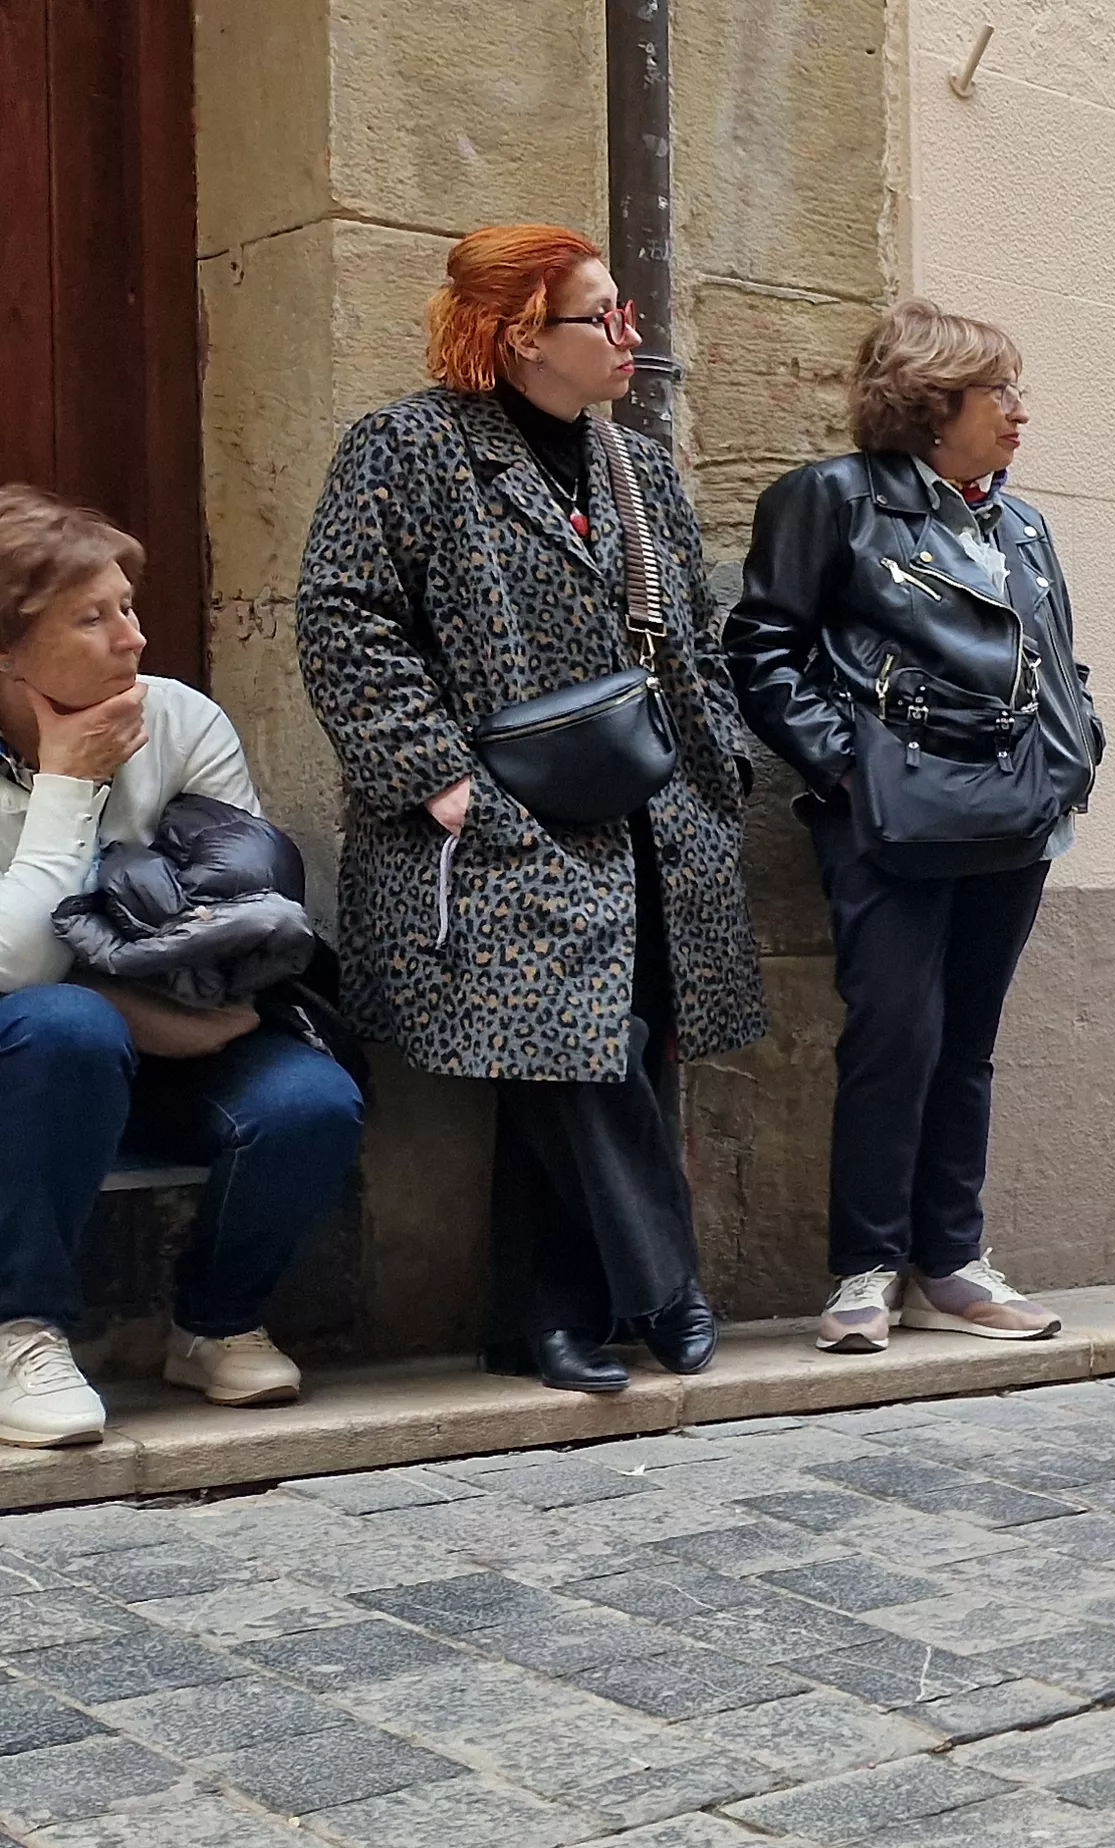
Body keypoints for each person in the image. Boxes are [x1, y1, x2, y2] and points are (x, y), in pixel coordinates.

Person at [295, 225, 768, 1394]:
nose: (629, 333)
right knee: (567, 1045)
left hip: (649, 815)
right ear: (520, 336)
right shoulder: (409, 448)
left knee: (599, 1045)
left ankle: (541, 1324)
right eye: (602, 315)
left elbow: (695, 632)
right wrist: (437, 777)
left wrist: (716, 760)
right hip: (493, 819)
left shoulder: (634, 463)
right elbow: (344, 621)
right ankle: (663, 1282)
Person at [729, 301, 1102, 1354]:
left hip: (1017, 814)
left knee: (967, 1044)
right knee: (894, 1035)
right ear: (933, 404)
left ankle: (952, 1263)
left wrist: (1077, 752)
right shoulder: (831, 499)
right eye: (998, 391)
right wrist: (849, 769)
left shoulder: (1021, 525)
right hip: (890, 821)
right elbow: (761, 646)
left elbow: (1057, 659)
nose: (1019, 411)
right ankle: (866, 1267)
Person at [0, 489, 362, 1443]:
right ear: (6, 651)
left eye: (126, 606)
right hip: (34, 1057)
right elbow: (15, 968)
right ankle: (20, 1331)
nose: (133, 639)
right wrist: (68, 783)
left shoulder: (178, 719)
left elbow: (239, 930)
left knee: (310, 1100)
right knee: (65, 1026)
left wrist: (152, 1002)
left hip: (180, 1028)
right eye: (92, 618)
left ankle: (213, 1324)